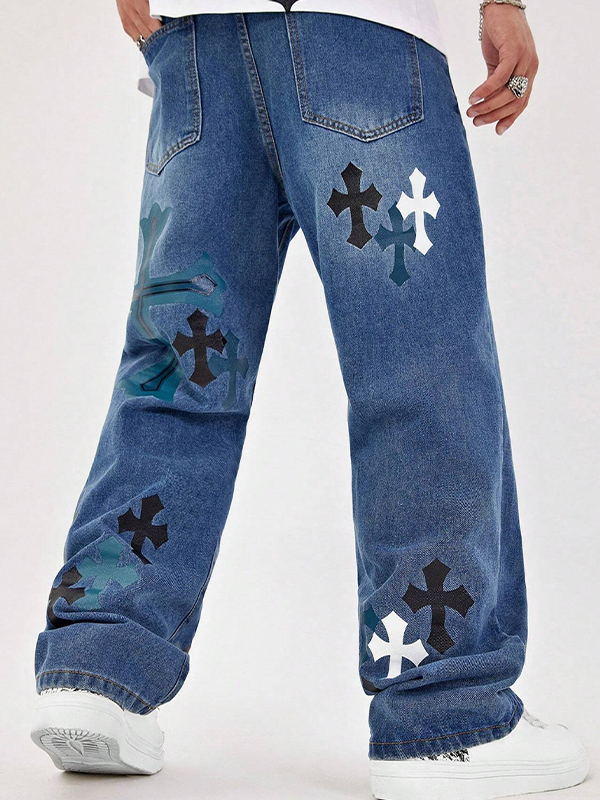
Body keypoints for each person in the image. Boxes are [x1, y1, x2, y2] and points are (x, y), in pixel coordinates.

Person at [30, 2, 589, 798]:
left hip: (199, 51)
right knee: (416, 367)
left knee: (180, 370)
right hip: (358, 39)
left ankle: (98, 666)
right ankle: (444, 712)